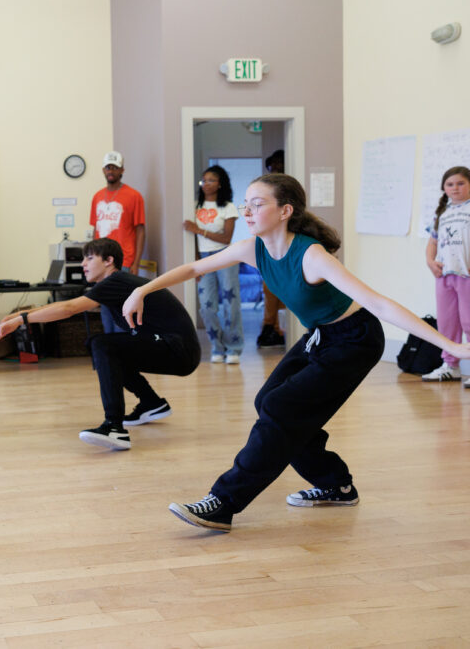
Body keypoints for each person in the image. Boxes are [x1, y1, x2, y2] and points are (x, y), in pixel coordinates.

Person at [122, 174, 470, 532]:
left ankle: (223, 502)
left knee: (280, 407)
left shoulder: (311, 255)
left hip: (356, 339)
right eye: (246, 204)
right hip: (321, 335)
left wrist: (451, 345)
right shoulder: (252, 248)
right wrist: (142, 290)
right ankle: (335, 483)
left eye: (258, 204)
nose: (248, 211)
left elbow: (379, 303)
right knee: (268, 401)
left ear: (285, 210)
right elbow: (195, 267)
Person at [0, 238, 199, 450]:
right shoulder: (113, 284)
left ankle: (114, 428)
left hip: (178, 348)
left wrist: (22, 319)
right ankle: (151, 402)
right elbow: (65, 305)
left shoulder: (116, 281)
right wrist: (20, 315)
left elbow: (69, 308)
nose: (83, 264)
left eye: (89, 258)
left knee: (103, 345)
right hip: (176, 349)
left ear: (109, 261)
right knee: (102, 346)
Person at [183, 165, 243, 364]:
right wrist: (195, 262)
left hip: (226, 256)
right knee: (207, 306)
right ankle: (217, 347)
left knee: (230, 303)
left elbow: (226, 238)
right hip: (204, 258)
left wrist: (198, 230)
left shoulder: (228, 207)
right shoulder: (194, 206)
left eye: (210, 180)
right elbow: (190, 239)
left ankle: (233, 348)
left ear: (219, 184)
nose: (206, 184)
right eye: (203, 180)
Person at [421, 165, 470, 386]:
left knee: (469, 321)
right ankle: (450, 365)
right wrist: (431, 262)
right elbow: (432, 242)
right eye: (450, 184)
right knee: (448, 323)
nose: (455, 188)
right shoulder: (442, 214)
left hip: (466, 275)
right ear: (444, 188)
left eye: (461, 183)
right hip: (445, 276)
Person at [89, 151, 146, 333]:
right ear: (103, 170)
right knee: (105, 310)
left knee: (124, 310)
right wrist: (91, 260)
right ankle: (110, 352)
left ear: (122, 170)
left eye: (114, 167)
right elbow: (94, 230)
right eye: (107, 167)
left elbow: (140, 230)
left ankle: (125, 354)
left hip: (125, 261)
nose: (110, 171)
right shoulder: (97, 196)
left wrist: (136, 263)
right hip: (101, 264)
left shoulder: (134, 196)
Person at [256, 150, 287, 348]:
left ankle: (275, 327)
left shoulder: (288, 193)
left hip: (285, 244)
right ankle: (270, 327)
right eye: (271, 166)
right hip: (269, 244)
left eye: (277, 165)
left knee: (282, 290)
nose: (274, 169)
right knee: (270, 288)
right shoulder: (266, 191)